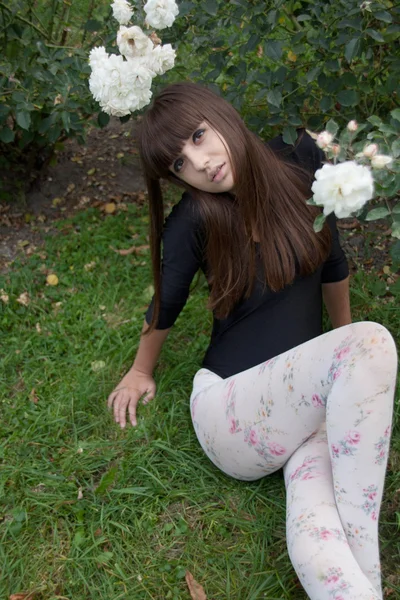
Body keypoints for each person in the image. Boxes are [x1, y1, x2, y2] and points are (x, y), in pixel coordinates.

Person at [107, 82, 398, 599]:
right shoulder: (196, 217)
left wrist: (338, 348)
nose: (200, 162)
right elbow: (165, 305)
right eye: (179, 164)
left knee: (318, 520)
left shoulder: (300, 158)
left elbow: (334, 261)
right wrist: (140, 370)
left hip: (299, 409)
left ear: (220, 115)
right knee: (371, 344)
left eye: (199, 136)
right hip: (230, 411)